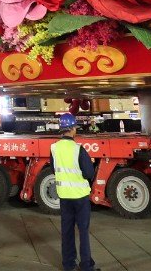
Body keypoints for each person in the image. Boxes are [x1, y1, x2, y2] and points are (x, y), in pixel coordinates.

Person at [51, 113, 99, 271]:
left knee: (66, 231)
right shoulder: (78, 149)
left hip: (64, 196)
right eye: (75, 128)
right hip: (80, 196)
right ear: (71, 129)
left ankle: (68, 264)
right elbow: (89, 173)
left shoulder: (54, 148)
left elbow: (54, 169)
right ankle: (86, 266)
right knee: (83, 232)